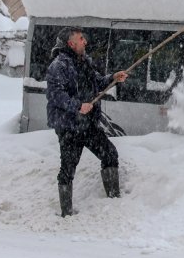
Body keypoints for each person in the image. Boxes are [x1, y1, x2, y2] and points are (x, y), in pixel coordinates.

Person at [46, 27, 129, 217]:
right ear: (71, 43)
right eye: (81, 38)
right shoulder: (58, 66)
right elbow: (55, 95)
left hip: (88, 124)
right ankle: (66, 213)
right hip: (69, 126)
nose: (85, 41)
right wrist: (77, 106)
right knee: (68, 167)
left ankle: (114, 201)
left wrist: (113, 78)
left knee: (109, 153)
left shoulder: (84, 62)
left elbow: (97, 83)